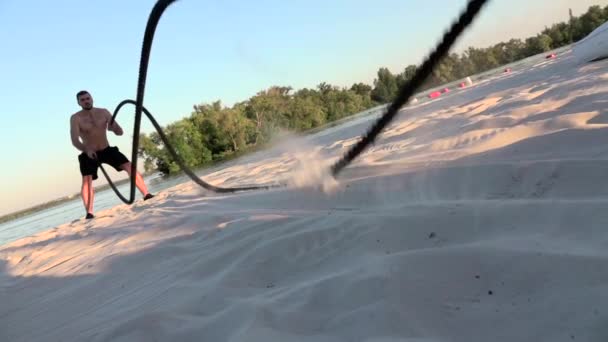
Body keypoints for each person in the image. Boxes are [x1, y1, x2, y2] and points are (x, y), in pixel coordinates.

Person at [70, 90, 154, 219]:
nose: (86, 101)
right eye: (82, 100)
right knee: (87, 180)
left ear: (92, 98)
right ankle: (89, 212)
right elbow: (75, 140)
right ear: (78, 103)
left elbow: (120, 132)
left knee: (129, 166)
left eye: (88, 98)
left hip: (106, 149)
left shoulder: (103, 112)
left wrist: (113, 127)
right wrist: (86, 150)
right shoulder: (76, 118)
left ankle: (146, 194)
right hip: (89, 152)